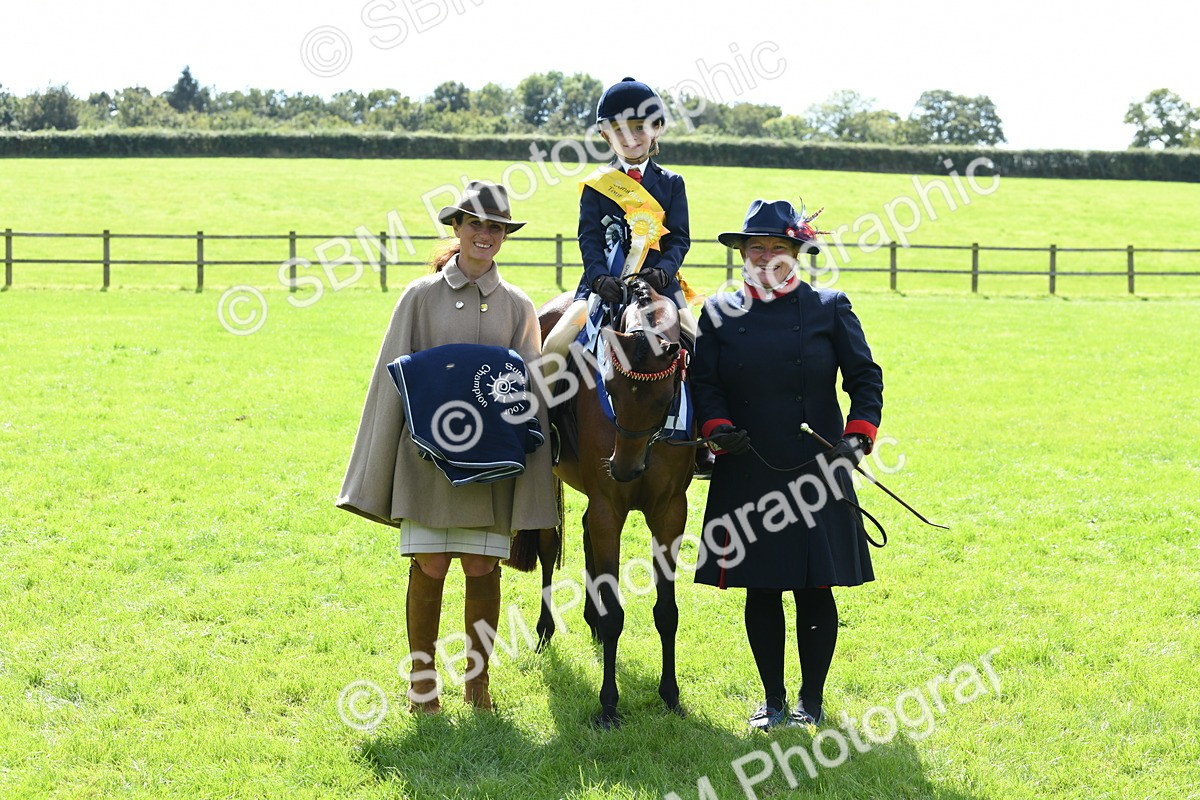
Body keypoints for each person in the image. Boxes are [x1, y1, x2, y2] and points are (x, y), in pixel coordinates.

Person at [336, 180, 557, 713]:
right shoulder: (419, 297)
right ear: (455, 229)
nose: (485, 235)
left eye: (495, 227)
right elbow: (393, 381)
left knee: (483, 569)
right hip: (428, 460)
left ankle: (477, 683)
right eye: (475, 224)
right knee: (431, 564)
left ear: (504, 236)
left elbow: (530, 391)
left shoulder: (519, 305)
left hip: (491, 466)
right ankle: (422, 682)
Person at [690, 199, 884, 730]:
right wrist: (716, 428)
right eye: (757, 248)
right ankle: (773, 702)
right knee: (763, 585)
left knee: (814, 585)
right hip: (747, 464)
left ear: (798, 252)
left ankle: (811, 703)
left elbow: (866, 380)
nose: (768, 257)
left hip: (819, 469)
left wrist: (857, 438)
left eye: (779, 247)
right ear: (743, 255)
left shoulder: (830, 307)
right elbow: (703, 384)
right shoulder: (718, 313)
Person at [543, 76, 696, 359]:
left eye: (640, 128)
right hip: (601, 287)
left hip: (660, 285)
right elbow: (588, 238)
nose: (630, 138)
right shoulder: (596, 184)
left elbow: (680, 239)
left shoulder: (673, 183)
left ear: (657, 128)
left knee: (701, 346)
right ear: (605, 136)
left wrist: (663, 272)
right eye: (619, 130)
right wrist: (599, 279)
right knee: (553, 346)